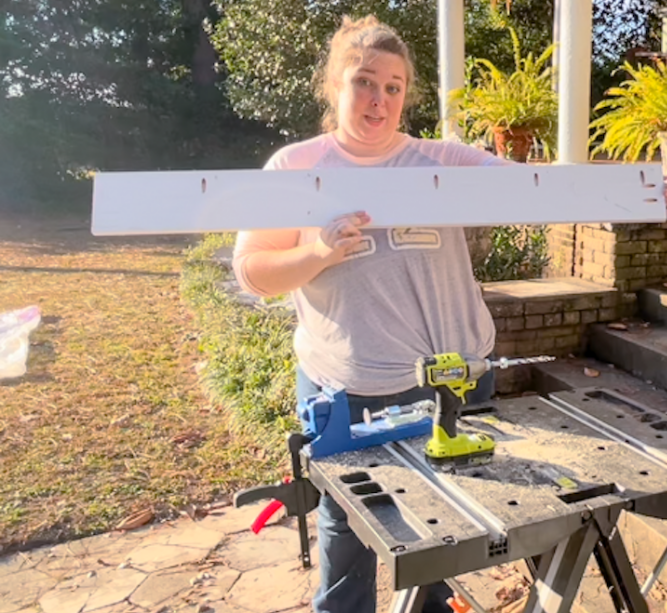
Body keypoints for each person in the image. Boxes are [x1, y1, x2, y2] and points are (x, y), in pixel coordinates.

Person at [231, 15, 511, 613]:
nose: (378, 99)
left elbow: (533, 188)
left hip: (452, 381)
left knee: (444, 519)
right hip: (349, 390)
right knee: (347, 524)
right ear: (334, 86)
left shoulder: (439, 160)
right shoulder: (298, 168)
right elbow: (252, 271)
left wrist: (633, 191)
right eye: (363, 82)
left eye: (393, 86)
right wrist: (316, 253)